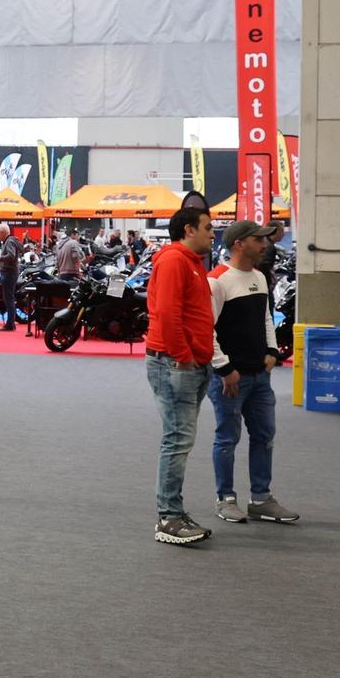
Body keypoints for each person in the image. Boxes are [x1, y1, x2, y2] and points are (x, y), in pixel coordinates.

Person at [207, 221, 299, 525]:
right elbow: (206, 330)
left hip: (259, 375)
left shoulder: (259, 277)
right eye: (258, 239)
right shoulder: (217, 280)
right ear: (239, 244)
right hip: (230, 377)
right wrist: (224, 368)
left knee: (264, 435)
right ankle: (226, 498)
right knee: (227, 438)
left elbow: (266, 319)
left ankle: (260, 499)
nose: (265, 244)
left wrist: (272, 352)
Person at [146, 205, 217, 546]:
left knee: (179, 439)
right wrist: (184, 357)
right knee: (177, 440)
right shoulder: (175, 261)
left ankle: (172, 513)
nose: (212, 233)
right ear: (189, 230)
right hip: (176, 364)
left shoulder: (190, 264)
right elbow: (167, 314)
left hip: (188, 364)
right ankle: (168, 518)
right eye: (207, 227)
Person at [0, 222, 20, 330]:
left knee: (8, 299)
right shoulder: (10, 241)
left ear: (2, 233)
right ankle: (11, 323)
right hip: (10, 272)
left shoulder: (9, 242)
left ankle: (10, 324)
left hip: (9, 273)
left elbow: (11, 255)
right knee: (9, 298)